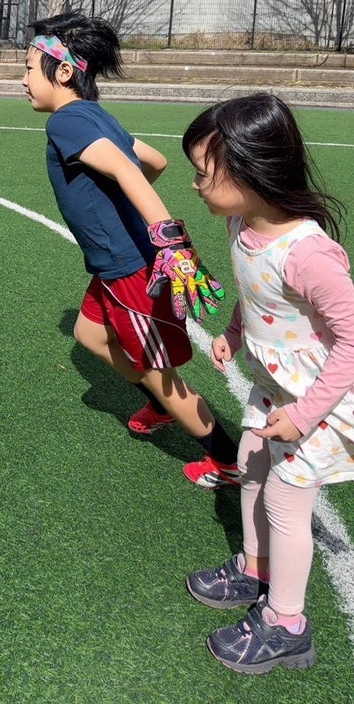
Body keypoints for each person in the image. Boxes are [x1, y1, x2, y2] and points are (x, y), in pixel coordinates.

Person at [22, 12, 238, 487]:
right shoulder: (94, 114)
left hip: (130, 269)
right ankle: (161, 407)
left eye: (29, 68)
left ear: (63, 72)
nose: (23, 79)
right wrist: (118, 206)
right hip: (113, 265)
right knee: (90, 335)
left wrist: (170, 241)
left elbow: (125, 169)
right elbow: (153, 161)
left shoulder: (65, 121)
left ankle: (229, 460)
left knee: (164, 377)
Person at [182, 92, 351, 673]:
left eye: (204, 173)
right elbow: (254, 293)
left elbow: (352, 339)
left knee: (284, 497)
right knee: (251, 463)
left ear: (251, 172)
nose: (196, 185)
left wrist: (304, 416)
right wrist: (233, 331)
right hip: (274, 386)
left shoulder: (307, 254)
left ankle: (286, 623)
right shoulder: (241, 223)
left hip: (317, 400)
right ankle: (256, 568)